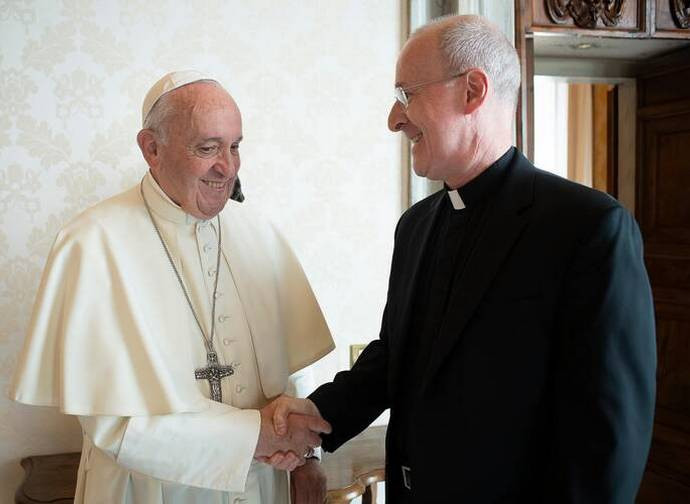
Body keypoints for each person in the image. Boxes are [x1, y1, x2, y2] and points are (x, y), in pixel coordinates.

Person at [268, 15, 657, 503]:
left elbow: (608, 438)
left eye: (406, 94)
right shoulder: (415, 226)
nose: (394, 118)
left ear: (473, 91)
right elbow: (394, 359)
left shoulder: (588, 228)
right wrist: (315, 416)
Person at [10, 70, 335, 504]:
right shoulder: (91, 243)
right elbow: (112, 423)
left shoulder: (257, 231)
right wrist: (253, 435)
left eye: (235, 146)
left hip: (262, 485)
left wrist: (309, 457)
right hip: (146, 491)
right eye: (207, 148)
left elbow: (295, 372)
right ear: (151, 149)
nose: (228, 167)